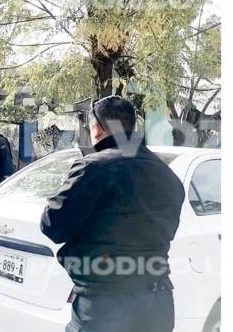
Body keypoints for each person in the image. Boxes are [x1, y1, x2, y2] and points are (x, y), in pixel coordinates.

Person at [40, 96, 185, 332]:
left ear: (97, 127)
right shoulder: (168, 176)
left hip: (104, 305)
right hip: (158, 302)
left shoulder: (93, 168)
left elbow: (53, 226)